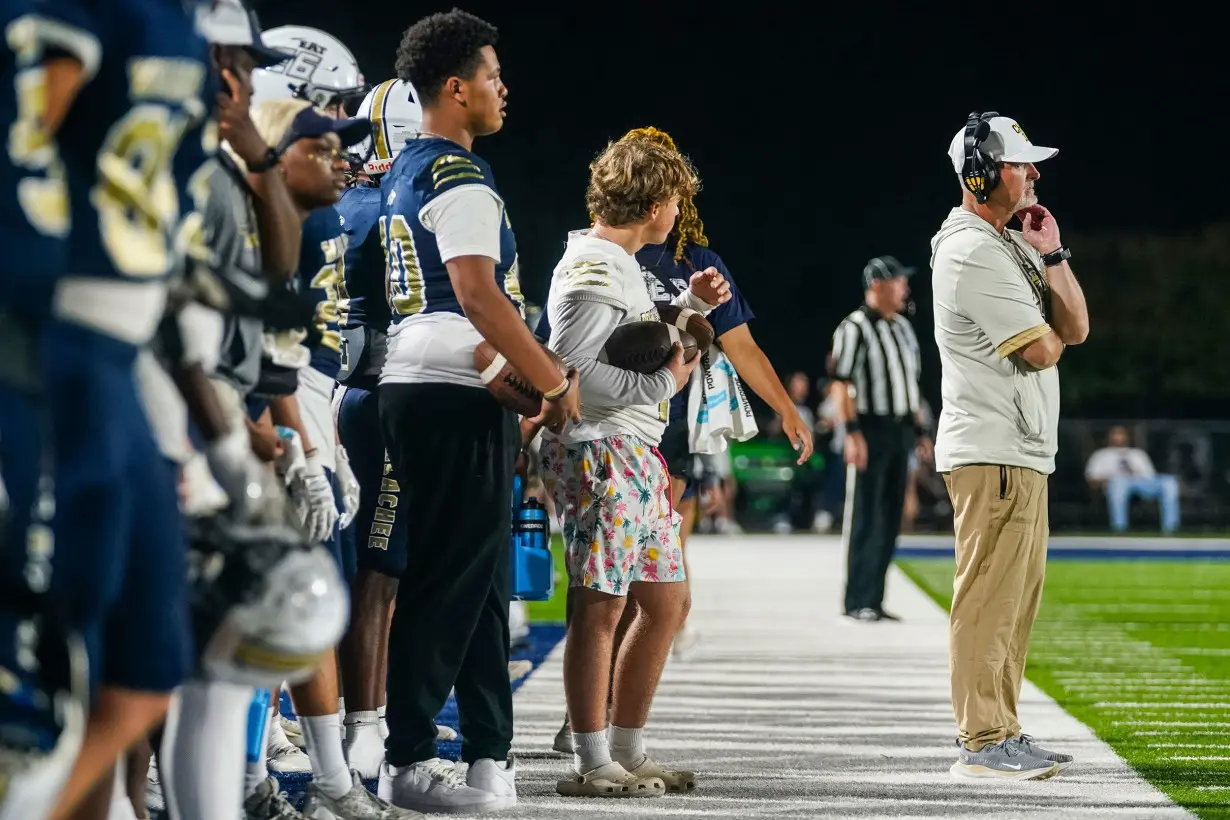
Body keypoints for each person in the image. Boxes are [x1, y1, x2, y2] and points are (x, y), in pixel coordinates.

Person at [375, 10, 580, 814]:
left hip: (429, 380)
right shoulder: (456, 176)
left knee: (487, 582)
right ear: (454, 89)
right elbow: (476, 295)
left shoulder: (404, 172)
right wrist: (554, 384)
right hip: (451, 386)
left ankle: (491, 750)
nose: (504, 88)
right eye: (492, 76)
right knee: (449, 582)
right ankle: (409, 758)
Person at [540, 137, 728, 799]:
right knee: (599, 607)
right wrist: (668, 384)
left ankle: (626, 748)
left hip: (633, 450)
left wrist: (694, 315)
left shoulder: (617, 262)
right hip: (601, 447)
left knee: (665, 603)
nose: (678, 213)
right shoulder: (594, 264)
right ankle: (591, 762)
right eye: (675, 200)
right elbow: (575, 378)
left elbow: (636, 353)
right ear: (652, 204)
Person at [932, 111, 1089, 780]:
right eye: (1021, 162)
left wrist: (1052, 253)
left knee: (1014, 603)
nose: (1035, 173)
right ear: (982, 172)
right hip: (992, 448)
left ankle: (1003, 729)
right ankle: (981, 740)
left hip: (1018, 448)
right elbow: (1043, 347)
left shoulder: (1005, 242)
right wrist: (1045, 304)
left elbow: (1075, 327)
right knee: (988, 599)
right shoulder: (970, 249)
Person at [828, 255, 931, 623]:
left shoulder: (902, 327)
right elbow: (841, 383)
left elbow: (910, 384)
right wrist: (852, 434)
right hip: (869, 427)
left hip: (900, 428)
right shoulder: (854, 327)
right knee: (865, 514)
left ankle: (875, 596)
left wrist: (919, 430)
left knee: (890, 516)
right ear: (878, 285)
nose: (905, 288)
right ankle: (857, 598)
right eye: (898, 281)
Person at [1085, 425, 1180, 534]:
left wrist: (1136, 474)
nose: (1118, 437)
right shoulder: (1101, 455)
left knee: (1169, 481)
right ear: (1109, 437)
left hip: (1140, 482)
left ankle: (1170, 528)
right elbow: (1092, 479)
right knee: (1118, 483)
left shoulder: (1137, 453)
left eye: (1121, 434)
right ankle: (1119, 528)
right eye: (1115, 434)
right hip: (1115, 484)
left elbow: (1149, 476)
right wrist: (1109, 480)